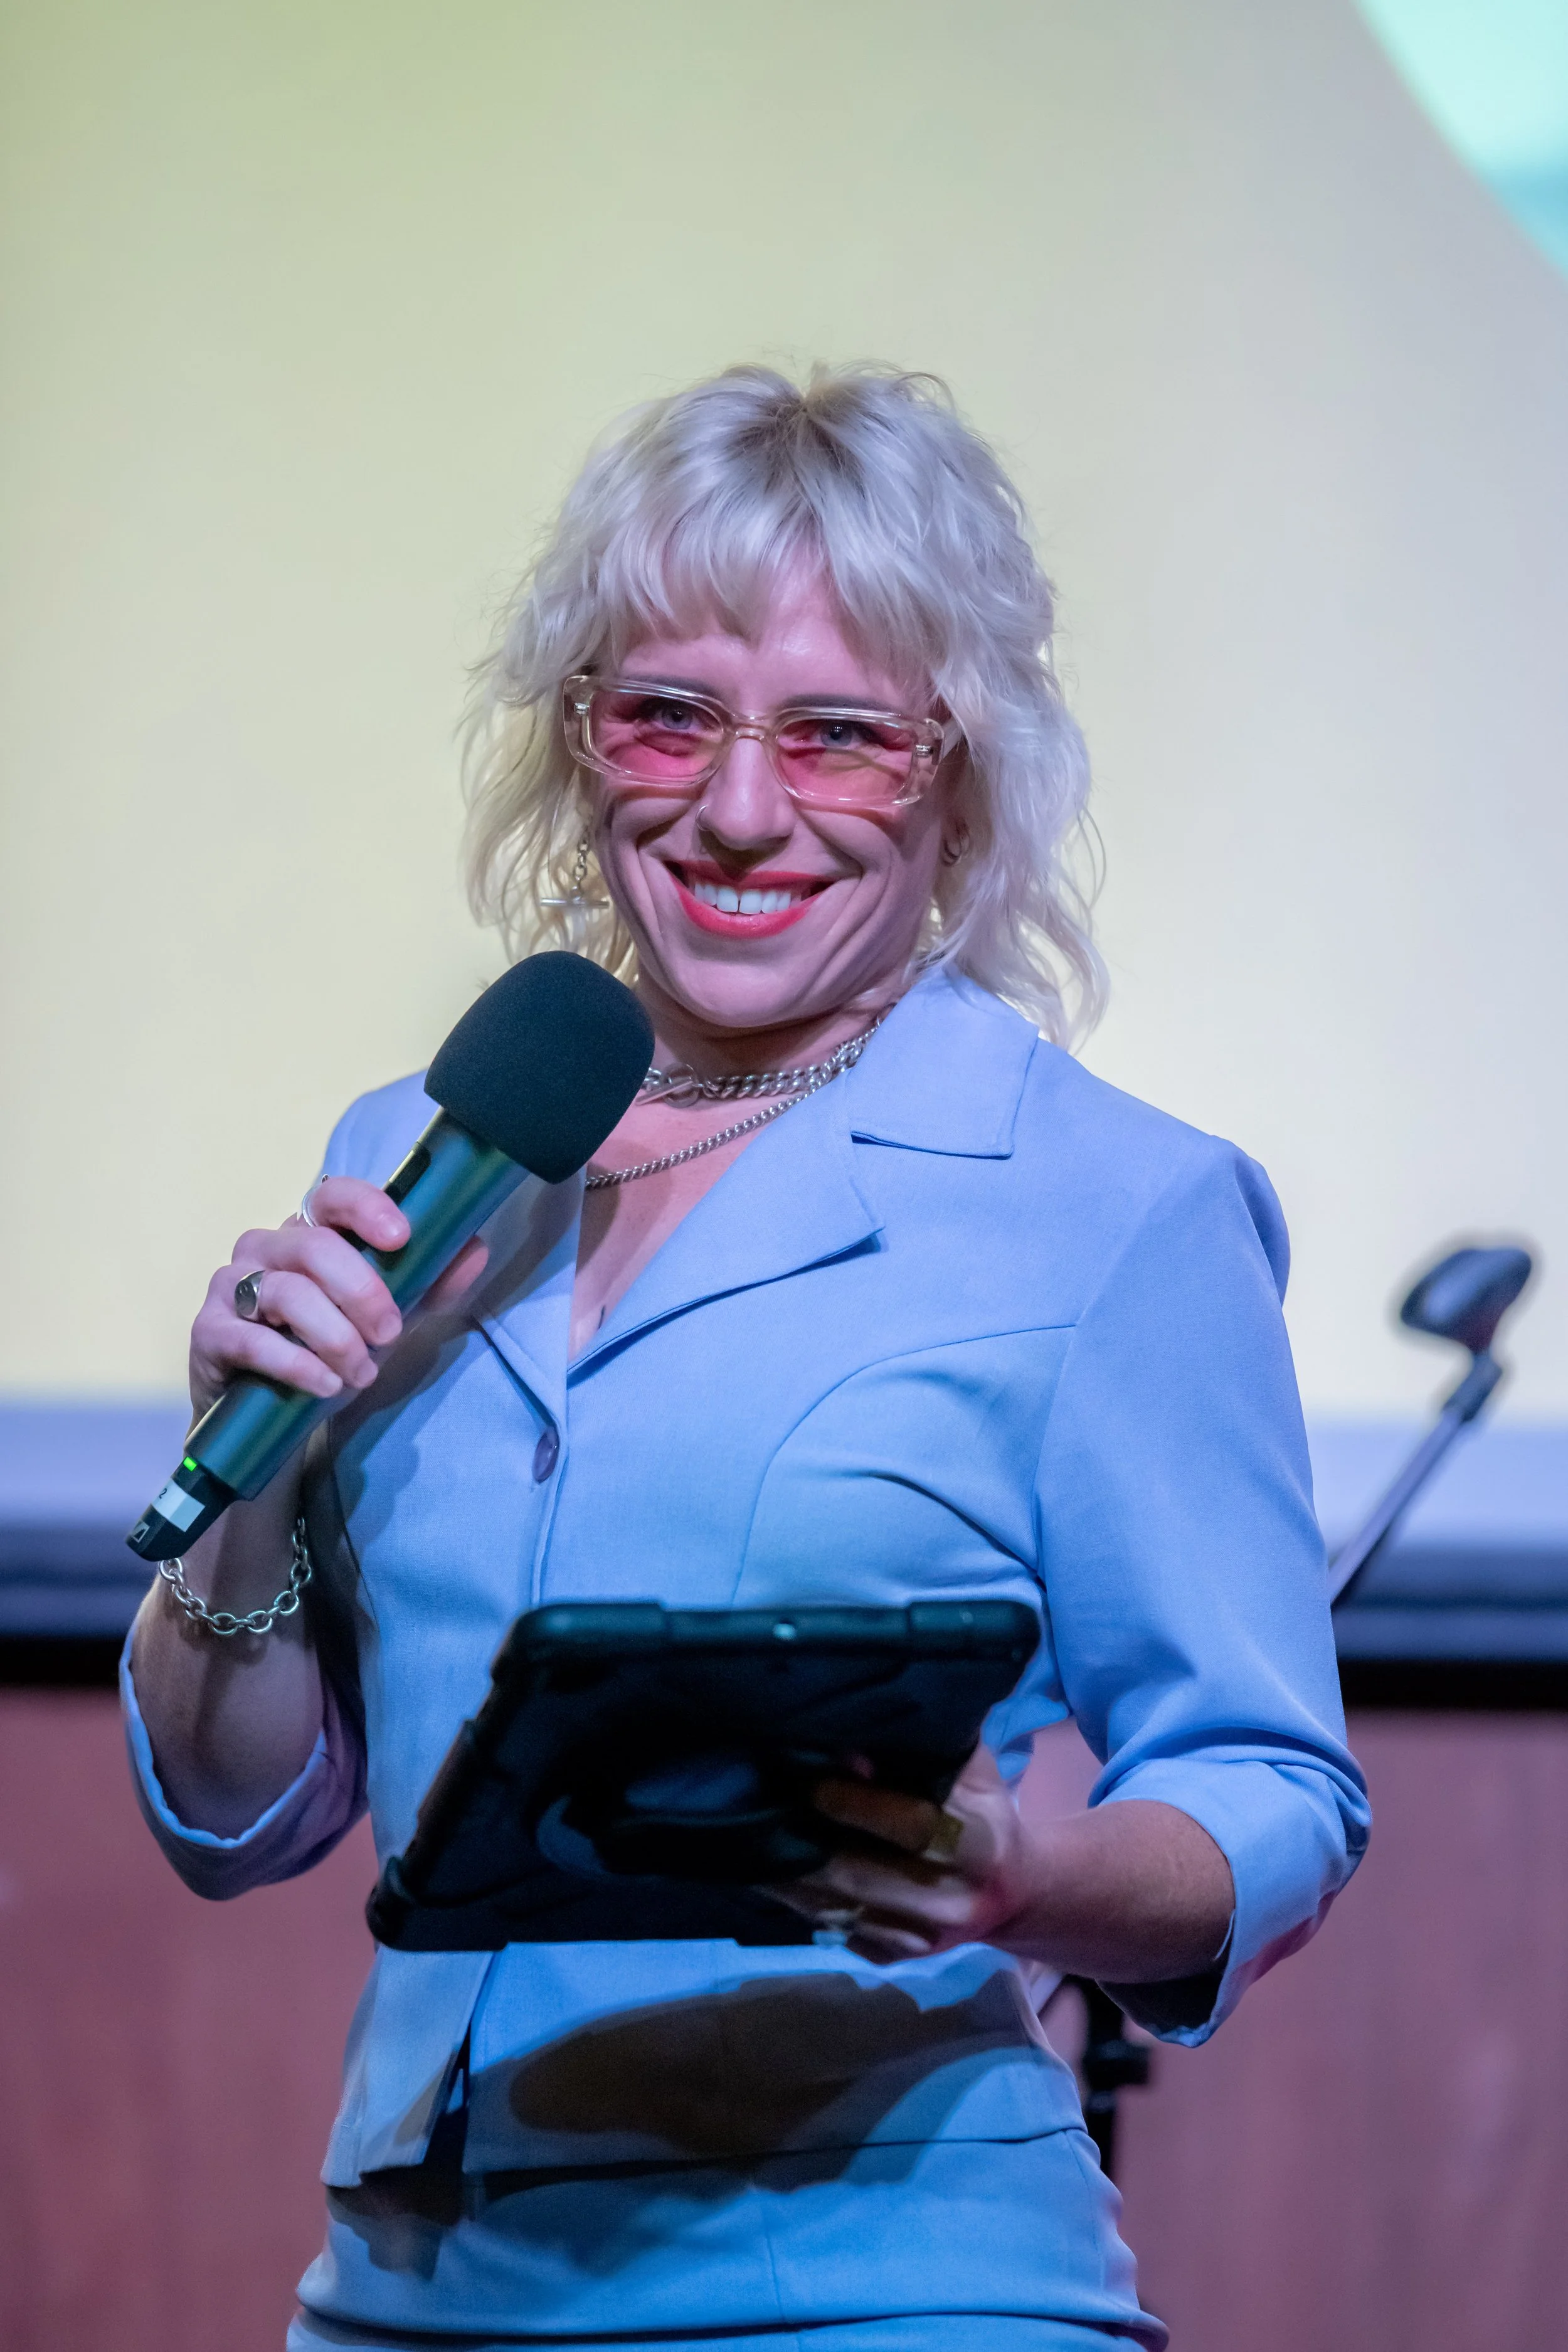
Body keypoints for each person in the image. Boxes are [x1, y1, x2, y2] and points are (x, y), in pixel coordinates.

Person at [125, 364, 1369, 2352]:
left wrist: (1016, 1876)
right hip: (408, 2295)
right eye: (667, 713)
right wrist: (253, 1468)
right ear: (575, 737)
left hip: (888, 2282)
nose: (734, 806)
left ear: (961, 770)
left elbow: (1268, 1787)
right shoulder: (421, 1156)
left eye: (840, 736)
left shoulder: (1108, 1204)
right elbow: (234, 1817)